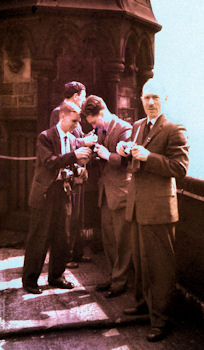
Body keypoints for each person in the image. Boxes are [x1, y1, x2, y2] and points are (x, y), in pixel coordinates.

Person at [116, 78, 189, 342]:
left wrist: (150, 157)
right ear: (141, 100)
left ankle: (162, 319)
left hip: (159, 209)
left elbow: (180, 169)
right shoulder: (137, 126)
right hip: (137, 206)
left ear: (165, 100)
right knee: (141, 262)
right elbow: (131, 159)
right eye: (147, 98)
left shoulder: (174, 128)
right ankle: (144, 305)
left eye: (156, 97)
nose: (150, 103)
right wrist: (123, 150)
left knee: (160, 266)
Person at [22, 102, 92, 294]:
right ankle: (29, 281)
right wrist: (74, 156)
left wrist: (77, 169)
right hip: (45, 194)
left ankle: (56, 277)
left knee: (63, 236)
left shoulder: (70, 138)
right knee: (39, 238)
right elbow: (50, 162)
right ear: (62, 117)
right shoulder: (45, 137)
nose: (77, 125)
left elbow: (65, 166)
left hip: (63, 192)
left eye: (79, 121)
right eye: (74, 121)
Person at [82, 95, 133, 298]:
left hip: (121, 192)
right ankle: (113, 276)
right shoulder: (101, 128)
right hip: (105, 193)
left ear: (102, 112)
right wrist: (92, 149)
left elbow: (128, 161)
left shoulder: (124, 128)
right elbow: (98, 148)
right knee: (109, 239)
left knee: (122, 240)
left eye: (94, 122)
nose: (94, 126)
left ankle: (120, 282)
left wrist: (106, 155)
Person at [50, 81, 97, 268]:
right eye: (84, 96)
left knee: (77, 217)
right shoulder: (58, 112)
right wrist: (84, 141)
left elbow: (74, 137)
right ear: (77, 95)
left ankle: (76, 252)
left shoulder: (75, 114)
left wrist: (87, 138)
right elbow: (61, 141)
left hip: (78, 173)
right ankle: (66, 257)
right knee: (67, 219)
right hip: (68, 174)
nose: (84, 100)